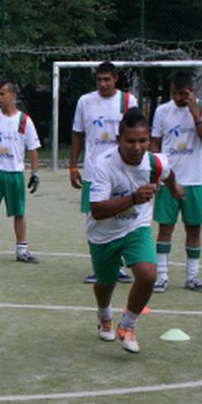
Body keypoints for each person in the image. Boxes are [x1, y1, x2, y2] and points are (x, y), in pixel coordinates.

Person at [87, 107, 182, 354]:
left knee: (148, 274)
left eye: (142, 141)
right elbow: (97, 210)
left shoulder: (156, 162)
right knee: (105, 283)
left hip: (135, 227)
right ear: (119, 140)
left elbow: (168, 174)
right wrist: (134, 198)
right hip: (103, 233)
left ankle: (127, 325)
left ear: (149, 140)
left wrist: (175, 189)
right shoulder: (103, 164)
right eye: (130, 141)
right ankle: (104, 314)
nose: (137, 147)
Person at [70, 61, 137, 285]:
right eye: (99, 79)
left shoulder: (128, 101)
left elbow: (136, 134)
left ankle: (118, 267)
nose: (103, 84)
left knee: (122, 217)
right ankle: (99, 267)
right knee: (94, 220)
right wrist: (72, 166)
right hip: (93, 171)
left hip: (122, 171)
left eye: (107, 79)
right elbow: (77, 134)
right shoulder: (85, 101)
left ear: (116, 78)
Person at [151, 71, 202, 293]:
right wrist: (156, 174)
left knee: (194, 230)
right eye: (174, 93)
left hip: (195, 180)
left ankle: (193, 277)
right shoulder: (162, 111)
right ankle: (161, 277)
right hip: (169, 180)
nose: (178, 98)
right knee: (165, 228)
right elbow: (155, 143)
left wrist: (193, 113)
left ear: (192, 91)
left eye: (182, 93)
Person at [0, 79, 42, 264]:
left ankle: (22, 250)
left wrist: (34, 173)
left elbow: (33, 148)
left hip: (15, 173)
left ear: (13, 96)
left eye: (3, 94)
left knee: (19, 212)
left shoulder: (24, 120)